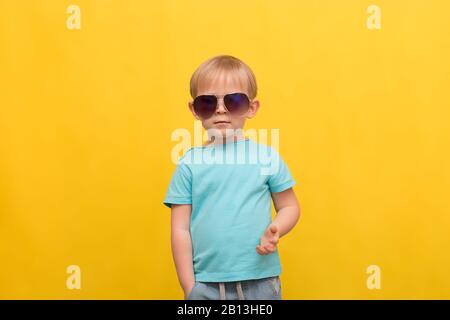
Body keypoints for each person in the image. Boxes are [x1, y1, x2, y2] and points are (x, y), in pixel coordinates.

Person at [163, 55, 301, 300]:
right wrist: (189, 287)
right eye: (207, 102)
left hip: (261, 281)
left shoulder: (266, 157)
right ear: (194, 110)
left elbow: (289, 206)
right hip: (206, 284)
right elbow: (180, 229)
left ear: (251, 108)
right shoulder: (189, 165)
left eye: (234, 101)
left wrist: (277, 228)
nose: (220, 109)